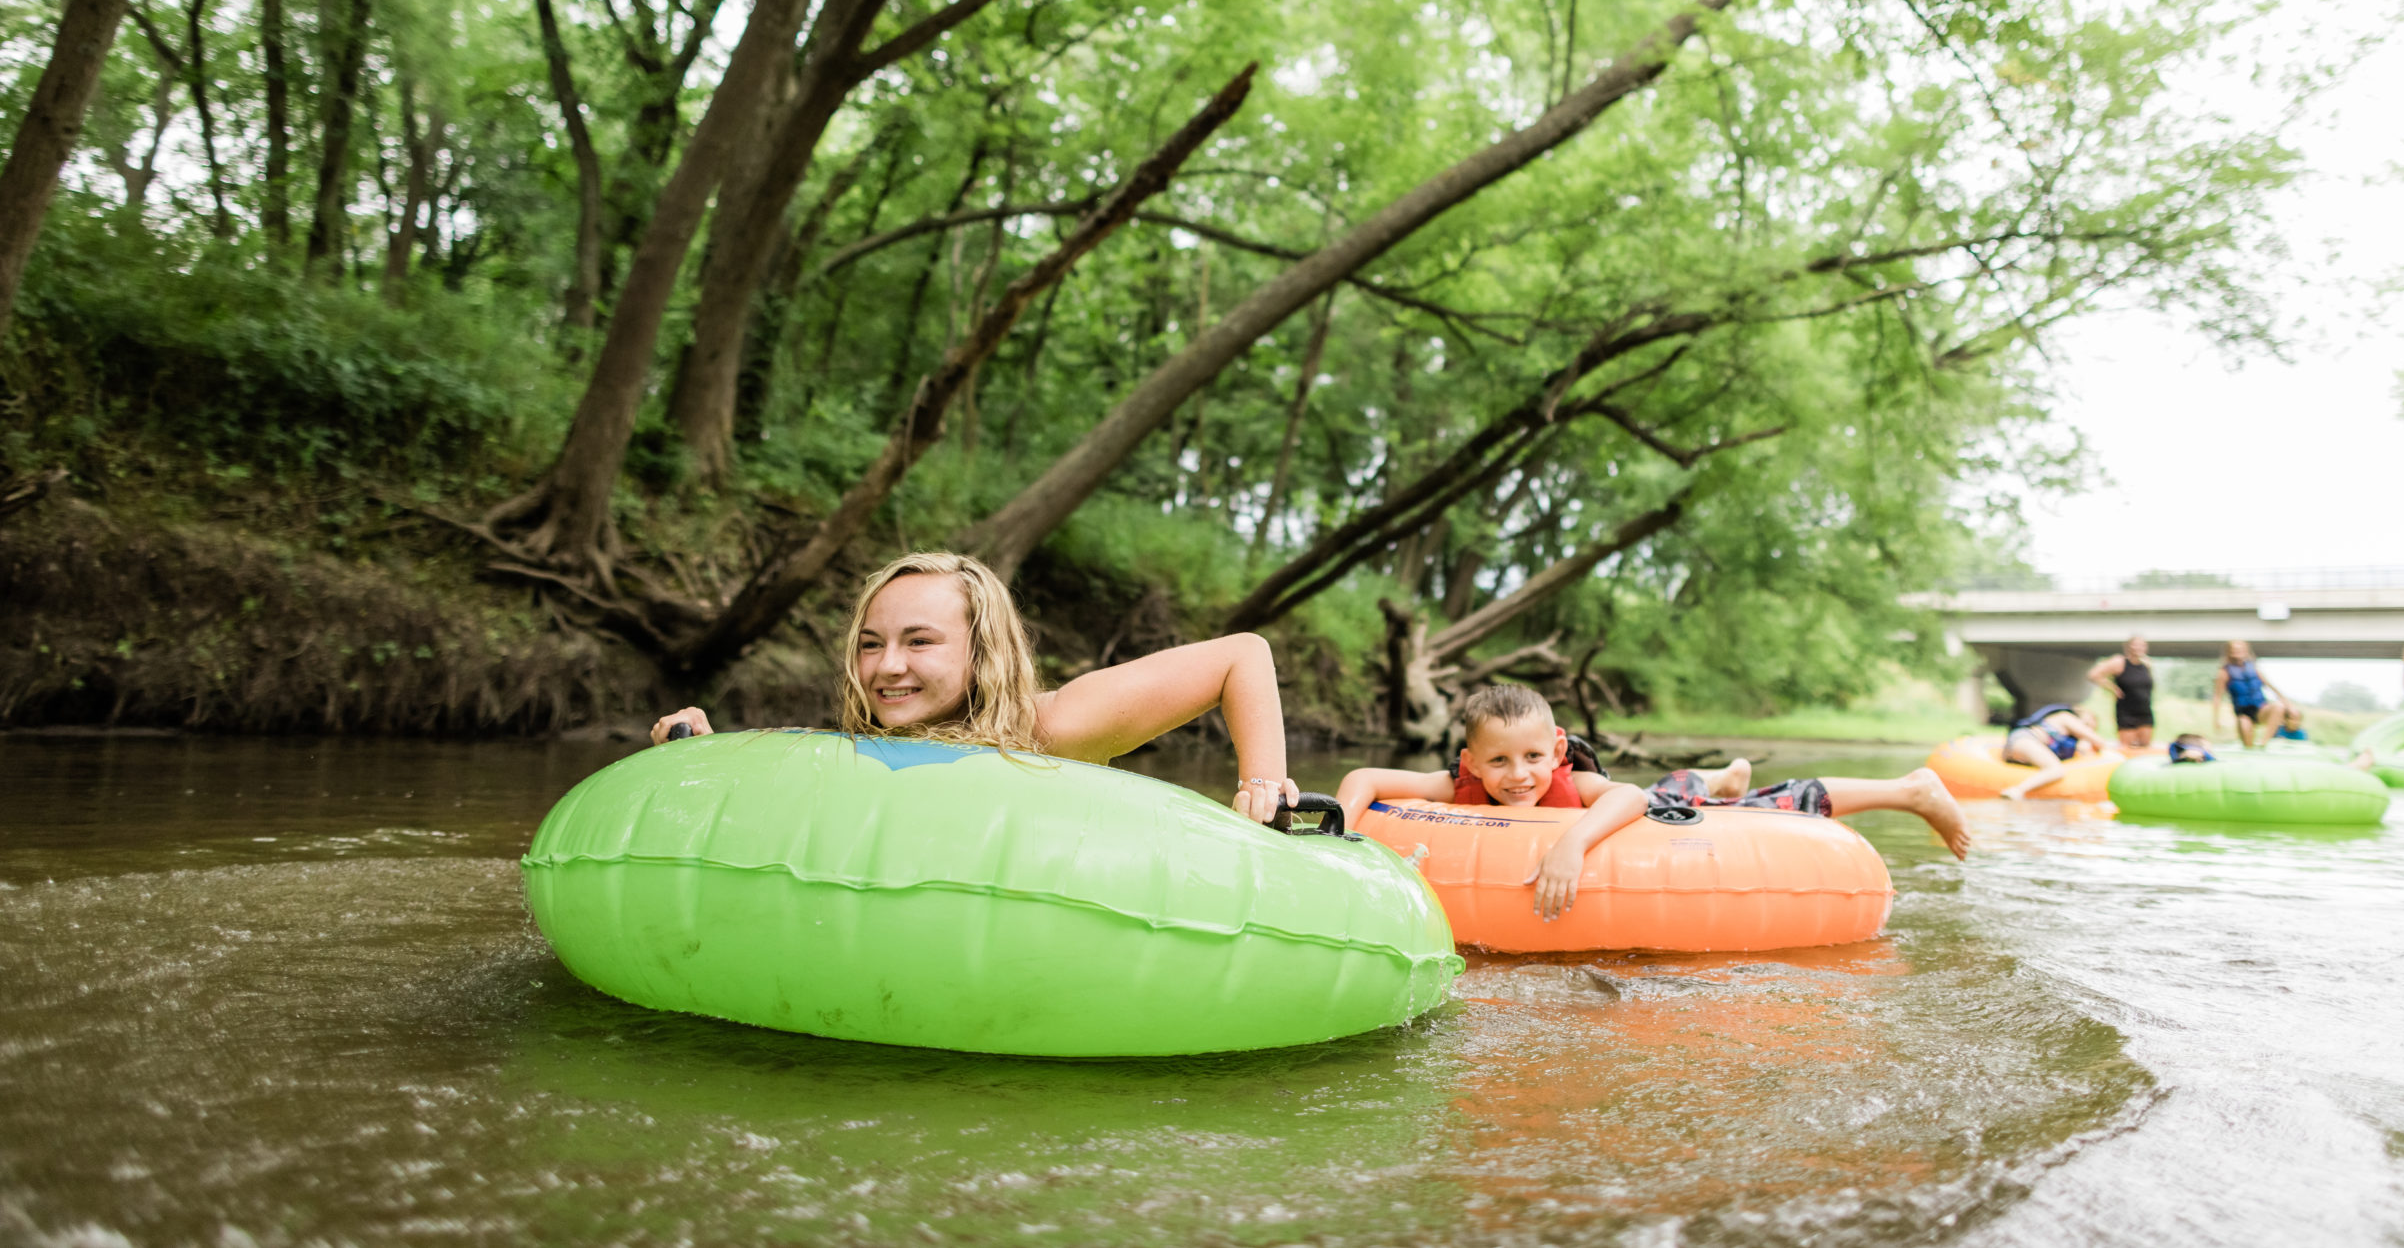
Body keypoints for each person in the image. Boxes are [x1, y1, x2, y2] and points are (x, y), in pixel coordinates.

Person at [648, 551, 1303, 824]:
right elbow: (784, 759)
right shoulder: (860, 749)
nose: (887, 667)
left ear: (982, 652)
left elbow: (1241, 656)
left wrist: (1264, 790)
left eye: (920, 641)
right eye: (871, 645)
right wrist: (706, 753)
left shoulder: (1053, 726)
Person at [1332, 686, 1971, 920]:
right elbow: (1365, 777)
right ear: (1471, 763)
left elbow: (1631, 795)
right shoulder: (1458, 784)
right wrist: (1341, 833)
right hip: (1645, 800)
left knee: (1773, 803)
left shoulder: (1571, 783)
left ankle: (1909, 790)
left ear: (1558, 750)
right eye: (1498, 762)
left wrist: (1571, 842)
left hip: (1638, 817)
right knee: (1683, 788)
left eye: (1531, 758)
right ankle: (1719, 776)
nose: (1518, 777)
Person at [1998, 702, 2105, 799]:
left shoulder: (2073, 737)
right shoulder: (2066, 717)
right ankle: (2017, 790)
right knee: (2056, 769)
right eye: (2089, 725)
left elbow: (2084, 752)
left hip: (2022, 746)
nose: (2089, 729)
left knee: (2052, 767)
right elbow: (2098, 741)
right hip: (2025, 739)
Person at [2085, 635, 2158, 748]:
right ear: (2128, 647)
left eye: (2142, 645)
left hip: (2145, 712)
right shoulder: (2119, 662)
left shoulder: (2146, 664)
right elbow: (2093, 675)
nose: (2139, 647)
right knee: (2127, 748)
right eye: (2136, 644)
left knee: (2145, 747)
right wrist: (2112, 688)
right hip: (2126, 713)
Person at [2214, 640, 2290, 748]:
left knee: (2279, 707)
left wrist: (2287, 703)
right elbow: (2217, 696)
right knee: (2248, 746)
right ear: (2230, 652)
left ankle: (2263, 742)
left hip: (2260, 709)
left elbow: (2271, 687)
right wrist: (2216, 719)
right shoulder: (2224, 672)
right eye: (2235, 649)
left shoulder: (2254, 669)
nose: (2238, 651)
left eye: (2241, 649)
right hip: (2243, 714)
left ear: (2246, 651)